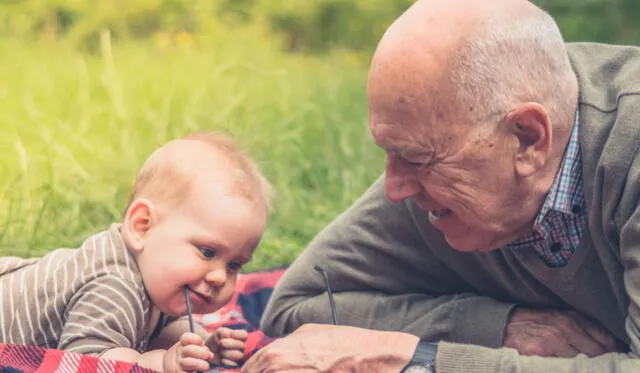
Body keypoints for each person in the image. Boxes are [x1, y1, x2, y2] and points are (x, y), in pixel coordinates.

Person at [249, 0, 640, 372]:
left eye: (416, 158)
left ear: (527, 139)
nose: (394, 190)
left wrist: (416, 359)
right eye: (391, 152)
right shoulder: (445, 170)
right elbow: (296, 307)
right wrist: (493, 327)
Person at [0, 131, 274, 373]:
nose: (218, 276)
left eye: (234, 265)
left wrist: (203, 347)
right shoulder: (113, 287)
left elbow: (160, 330)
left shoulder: (159, 276)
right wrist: (161, 363)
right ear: (142, 227)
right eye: (207, 251)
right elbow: (92, 363)